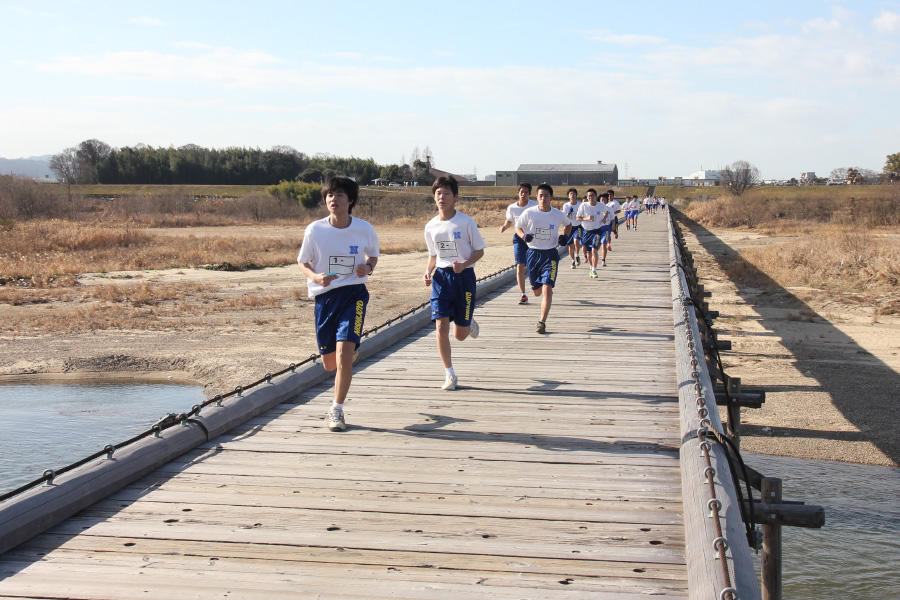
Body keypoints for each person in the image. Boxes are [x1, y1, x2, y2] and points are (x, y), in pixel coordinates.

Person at [297, 176, 379, 432]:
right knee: (329, 364)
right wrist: (316, 277)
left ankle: (337, 409)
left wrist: (368, 267)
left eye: (339, 195)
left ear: (350, 200)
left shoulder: (363, 228)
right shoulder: (315, 230)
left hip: (353, 294)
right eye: (330, 195)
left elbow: (373, 255)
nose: (333, 199)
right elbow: (303, 262)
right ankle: (350, 347)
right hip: (325, 297)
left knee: (343, 354)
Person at [424, 176, 486, 391]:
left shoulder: (466, 222)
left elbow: (480, 251)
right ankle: (449, 373)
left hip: (464, 278)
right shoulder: (431, 226)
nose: (442, 197)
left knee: (459, 335)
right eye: (438, 193)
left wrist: (465, 263)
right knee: (440, 326)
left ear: (455, 196)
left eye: (446, 193)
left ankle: (468, 323)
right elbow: (433, 255)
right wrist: (428, 270)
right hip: (441, 278)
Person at [515, 183, 570, 334]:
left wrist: (565, 237)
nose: (543, 198)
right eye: (540, 196)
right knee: (537, 291)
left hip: (551, 254)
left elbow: (568, 225)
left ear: (551, 197)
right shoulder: (529, 213)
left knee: (547, 288)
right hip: (533, 253)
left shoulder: (558, 214)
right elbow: (518, 227)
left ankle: (542, 321)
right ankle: (538, 289)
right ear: (537, 197)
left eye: (546, 195)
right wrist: (524, 236)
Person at [499, 183, 537, 304]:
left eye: (526, 192)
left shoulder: (534, 206)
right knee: (520, 266)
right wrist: (504, 227)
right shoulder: (512, 208)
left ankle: (539, 284)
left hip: (533, 239)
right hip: (519, 239)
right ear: (518, 193)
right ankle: (523, 294)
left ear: (529, 194)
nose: (523, 194)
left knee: (533, 266)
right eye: (521, 192)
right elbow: (509, 221)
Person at [575, 188, 606, 278]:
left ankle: (594, 270)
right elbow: (578, 218)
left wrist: (604, 218)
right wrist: (586, 219)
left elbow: (606, 212)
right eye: (588, 196)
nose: (590, 197)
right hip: (586, 232)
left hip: (597, 231)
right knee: (588, 253)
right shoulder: (583, 206)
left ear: (596, 196)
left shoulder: (601, 205)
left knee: (594, 249)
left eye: (592, 195)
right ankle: (591, 267)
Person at [561, 187, 582, 269]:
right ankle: (573, 261)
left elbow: (582, 215)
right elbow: (564, 217)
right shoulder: (566, 205)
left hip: (578, 226)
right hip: (569, 227)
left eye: (574, 194)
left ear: (576, 195)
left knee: (576, 240)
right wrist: (569, 213)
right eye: (571, 194)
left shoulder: (580, 205)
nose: (572, 195)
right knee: (570, 245)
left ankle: (577, 255)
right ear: (568, 196)